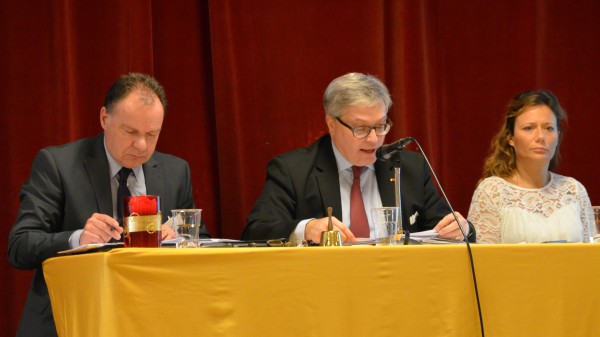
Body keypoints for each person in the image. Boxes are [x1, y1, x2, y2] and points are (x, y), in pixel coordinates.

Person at [8, 73, 210, 337]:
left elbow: (201, 241)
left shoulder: (176, 171)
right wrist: (78, 238)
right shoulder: (59, 165)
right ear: (105, 118)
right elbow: (20, 246)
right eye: (130, 132)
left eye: (152, 134)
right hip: (73, 318)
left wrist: (179, 240)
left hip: (154, 319)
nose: (141, 145)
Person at [242, 72, 472, 243]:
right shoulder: (293, 170)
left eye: (381, 126)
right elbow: (256, 232)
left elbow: (448, 227)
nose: (373, 139)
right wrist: (308, 228)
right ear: (331, 124)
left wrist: (461, 228)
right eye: (360, 129)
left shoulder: (407, 167)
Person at [467, 89, 595, 244]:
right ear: (511, 138)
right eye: (529, 128)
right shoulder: (492, 192)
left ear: (558, 137)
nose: (541, 137)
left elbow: (594, 255)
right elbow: (481, 262)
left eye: (549, 128)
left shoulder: (574, 190)